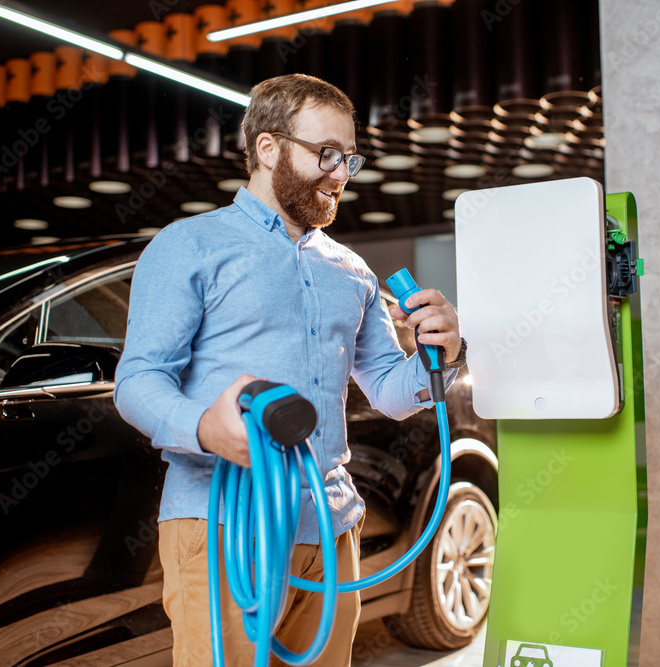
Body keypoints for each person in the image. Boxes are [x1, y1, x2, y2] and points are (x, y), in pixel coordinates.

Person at [114, 74, 463, 667]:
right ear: (268, 148)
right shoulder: (189, 246)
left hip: (330, 526)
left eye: (349, 157)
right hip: (225, 523)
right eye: (325, 153)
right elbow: (138, 382)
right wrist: (205, 429)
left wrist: (443, 354)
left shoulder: (351, 271)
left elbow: (389, 391)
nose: (341, 173)